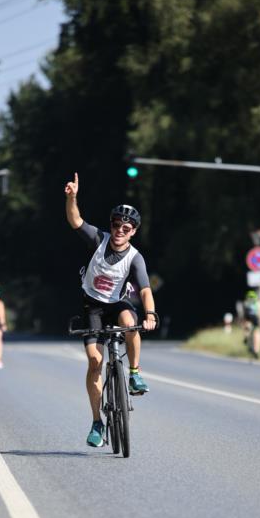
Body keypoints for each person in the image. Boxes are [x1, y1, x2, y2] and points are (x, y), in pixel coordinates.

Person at [64, 172, 157, 448]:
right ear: (111, 226)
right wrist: (72, 198)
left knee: (131, 319)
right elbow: (75, 220)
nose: (120, 230)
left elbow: (144, 290)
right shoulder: (98, 240)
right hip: (91, 304)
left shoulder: (135, 258)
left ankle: (134, 373)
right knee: (95, 363)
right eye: (117, 225)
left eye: (126, 228)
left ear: (134, 232)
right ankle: (96, 422)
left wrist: (150, 314)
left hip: (116, 303)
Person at [242, 289, 260, 358]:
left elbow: (245, 315)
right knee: (257, 333)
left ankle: (246, 337)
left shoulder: (246, 303)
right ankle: (256, 350)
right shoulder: (258, 303)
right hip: (255, 317)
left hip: (248, 317)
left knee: (247, 326)